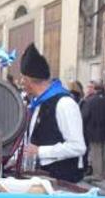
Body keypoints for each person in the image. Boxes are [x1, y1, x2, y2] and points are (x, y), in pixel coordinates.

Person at [20, 44, 87, 183]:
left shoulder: (64, 104)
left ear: (28, 80)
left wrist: (40, 151)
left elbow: (78, 147)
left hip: (64, 180)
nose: (21, 83)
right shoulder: (39, 104)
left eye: (23, 79)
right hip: (43, 178)